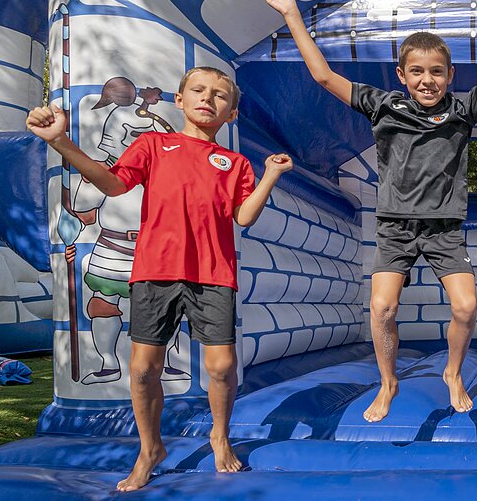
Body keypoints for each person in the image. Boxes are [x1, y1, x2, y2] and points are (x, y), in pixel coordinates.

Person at [259, 0, 477, 422]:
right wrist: (292, 12)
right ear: (402, 74)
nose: (427, 80)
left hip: (445, 228)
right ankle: (389, 381)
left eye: (436, 72)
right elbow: (322, 77)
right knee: (382, 307)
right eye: (417, 71)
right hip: (395, 227)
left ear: (450, 76)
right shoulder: (384, 104)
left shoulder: (461, 109)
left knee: (466, 306)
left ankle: (453, 373)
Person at [27, 66, 292, 492]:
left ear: (232, 113)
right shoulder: (155, 143)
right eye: (199, 91)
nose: (208, 99)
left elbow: (243, 215)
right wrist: (60, 142)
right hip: (155, 272)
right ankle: (150, 448)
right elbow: (112, 185)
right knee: (143, 370)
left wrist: (271, 176)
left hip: (212, 274)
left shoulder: (236, 163)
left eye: (220, 96)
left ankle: (219, 437)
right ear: (181, 100)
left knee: (222, 368)